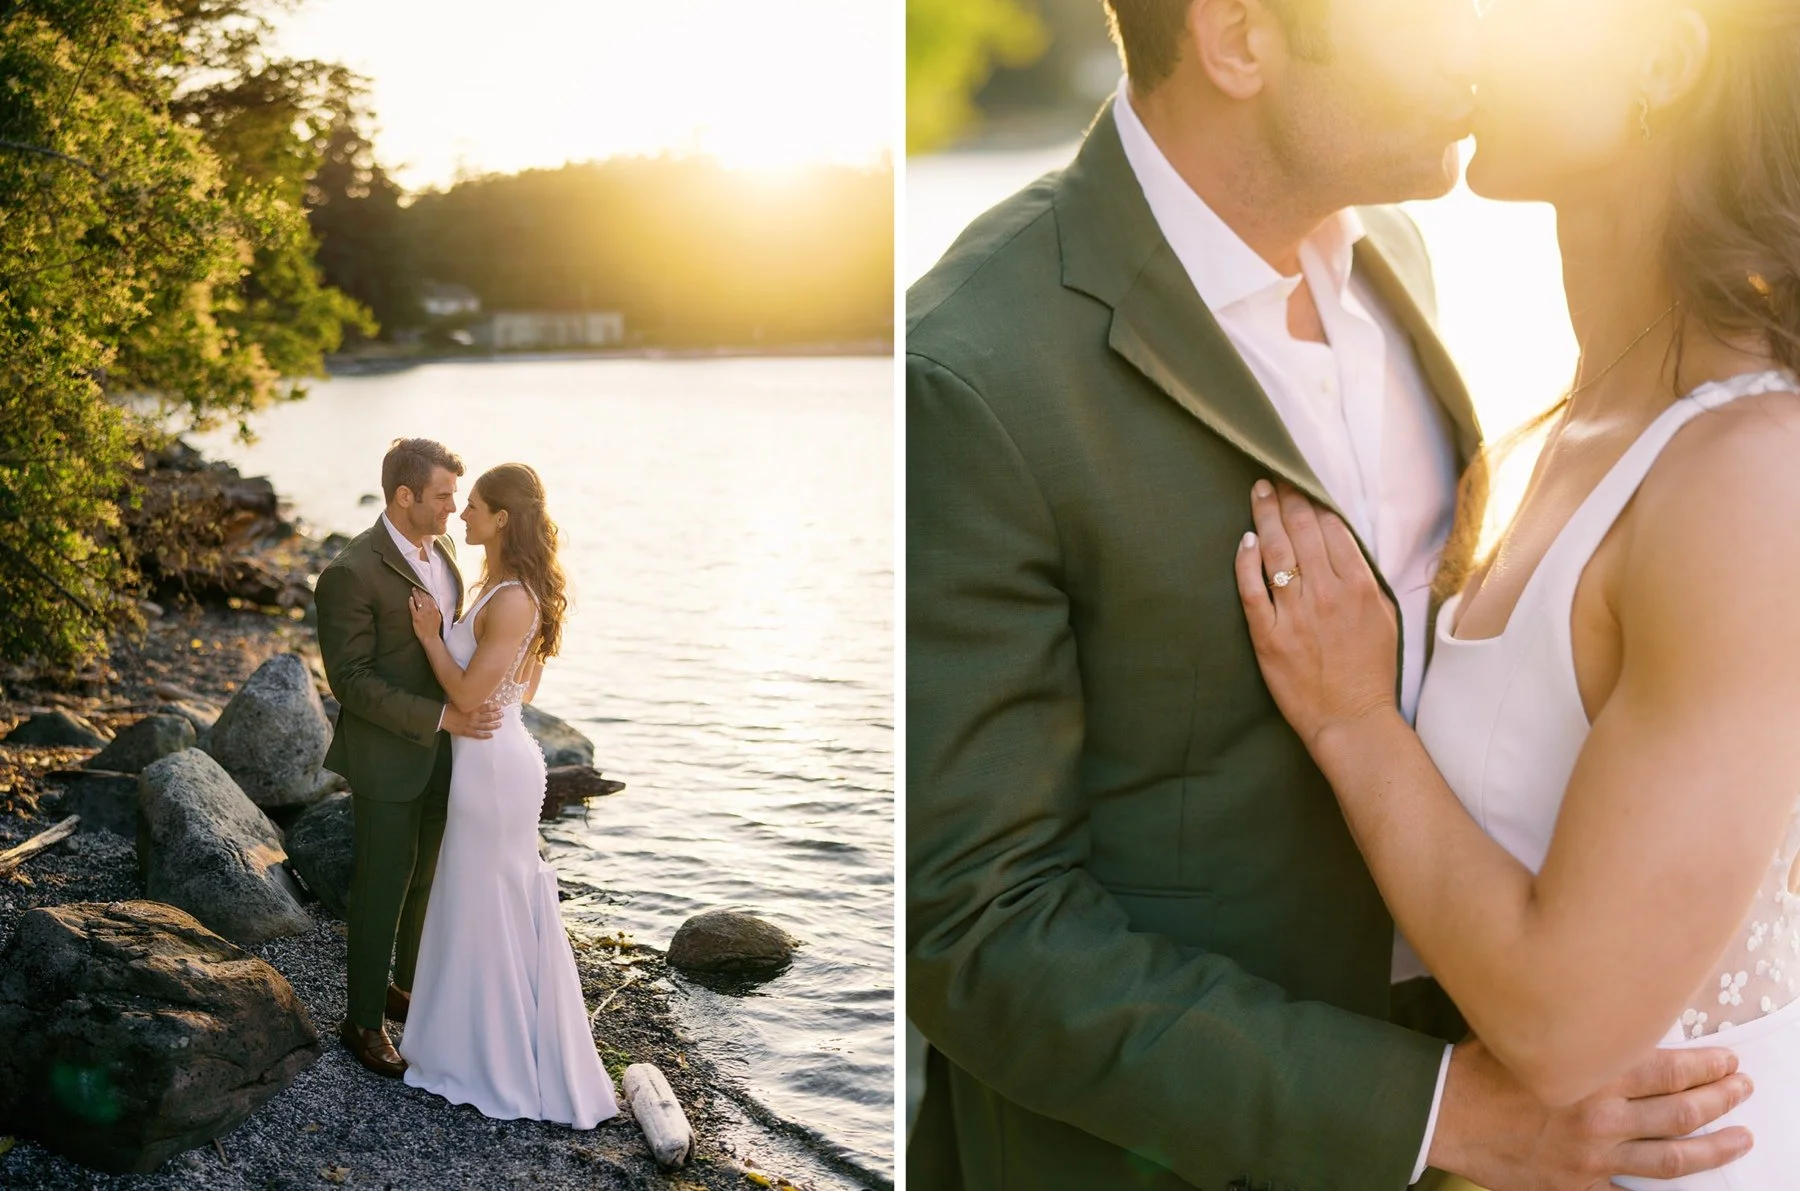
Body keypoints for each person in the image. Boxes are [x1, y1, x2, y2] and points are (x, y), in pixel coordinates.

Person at [906, 0, 1751, 1185]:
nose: (1472, 40)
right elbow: (974, 930)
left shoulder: (1396, 260)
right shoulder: (971, 374)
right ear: (1240, 40)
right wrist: (1439, 1113)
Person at [1234, 0, 1800, 1184]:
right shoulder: (1557, 431)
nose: (1470, 33)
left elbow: (1562, 1022)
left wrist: (1354, 724)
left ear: (1662, 53)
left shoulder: (1746, 477)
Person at [399, 462, 619, 1129]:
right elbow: (522, 690)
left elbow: (469, 695)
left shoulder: (515, 596)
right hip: (493, 756)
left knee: (486, 901)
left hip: (493, 768)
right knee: (476, 899)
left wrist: (433, 637)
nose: (461, 516)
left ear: (501, 519)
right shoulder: (500, 585)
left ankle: (497, 1061)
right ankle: (472, 1045)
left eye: (473, 507)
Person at [316, 437, 502, 1079]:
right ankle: (361, 1024)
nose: (456, 507)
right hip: (389, 757)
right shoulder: (350, 572)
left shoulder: (443, 551)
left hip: (445, 752)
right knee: (379, 887)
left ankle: (404, 990)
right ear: (405, 496)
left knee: (423, 880)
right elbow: (351, 681)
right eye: (445, 495)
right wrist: (441, 715)